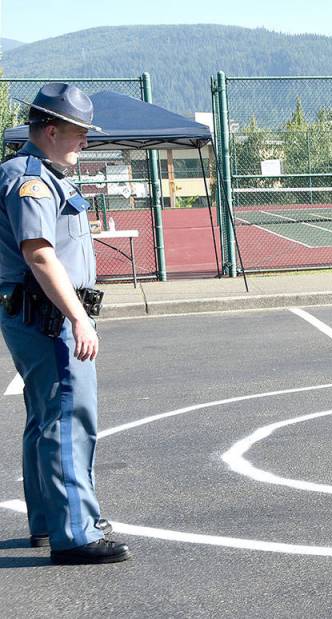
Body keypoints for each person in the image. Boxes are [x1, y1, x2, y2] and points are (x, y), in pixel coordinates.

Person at [0, 83, 130, 564]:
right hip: (48, 314)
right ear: (51, 130)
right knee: (68, 417)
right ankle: (76, 531)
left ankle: (49, 521)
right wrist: (78, 318)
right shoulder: (31, 179)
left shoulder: (42, 175)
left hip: (37, 312)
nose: (85, 142)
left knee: (44, 419)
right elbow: (39, 252)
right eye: (79, 133)